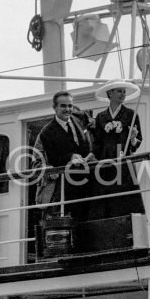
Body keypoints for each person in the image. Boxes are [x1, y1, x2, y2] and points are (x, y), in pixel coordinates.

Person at [33, 91, 95, 221]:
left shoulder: (79, 121)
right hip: (64, 188)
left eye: (70, 106)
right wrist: (69, 158)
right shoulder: (46, 133)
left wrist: (90, 155)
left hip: (88, 184)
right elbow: (43, 161)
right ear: (54, 108)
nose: (67, 109)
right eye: (63, 106)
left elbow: (93, 142)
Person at [89, 79, 145, 220]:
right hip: (105, 160)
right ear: (110, 93)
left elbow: (137, 141)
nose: (122, 94)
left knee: (125, 195)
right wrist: (91, 155)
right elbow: (98, 142)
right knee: (105, 195)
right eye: (119, 91)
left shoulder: (131, 114)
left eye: (124, 92)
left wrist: (133, 138)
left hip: (123, 158)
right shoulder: (101, 117)